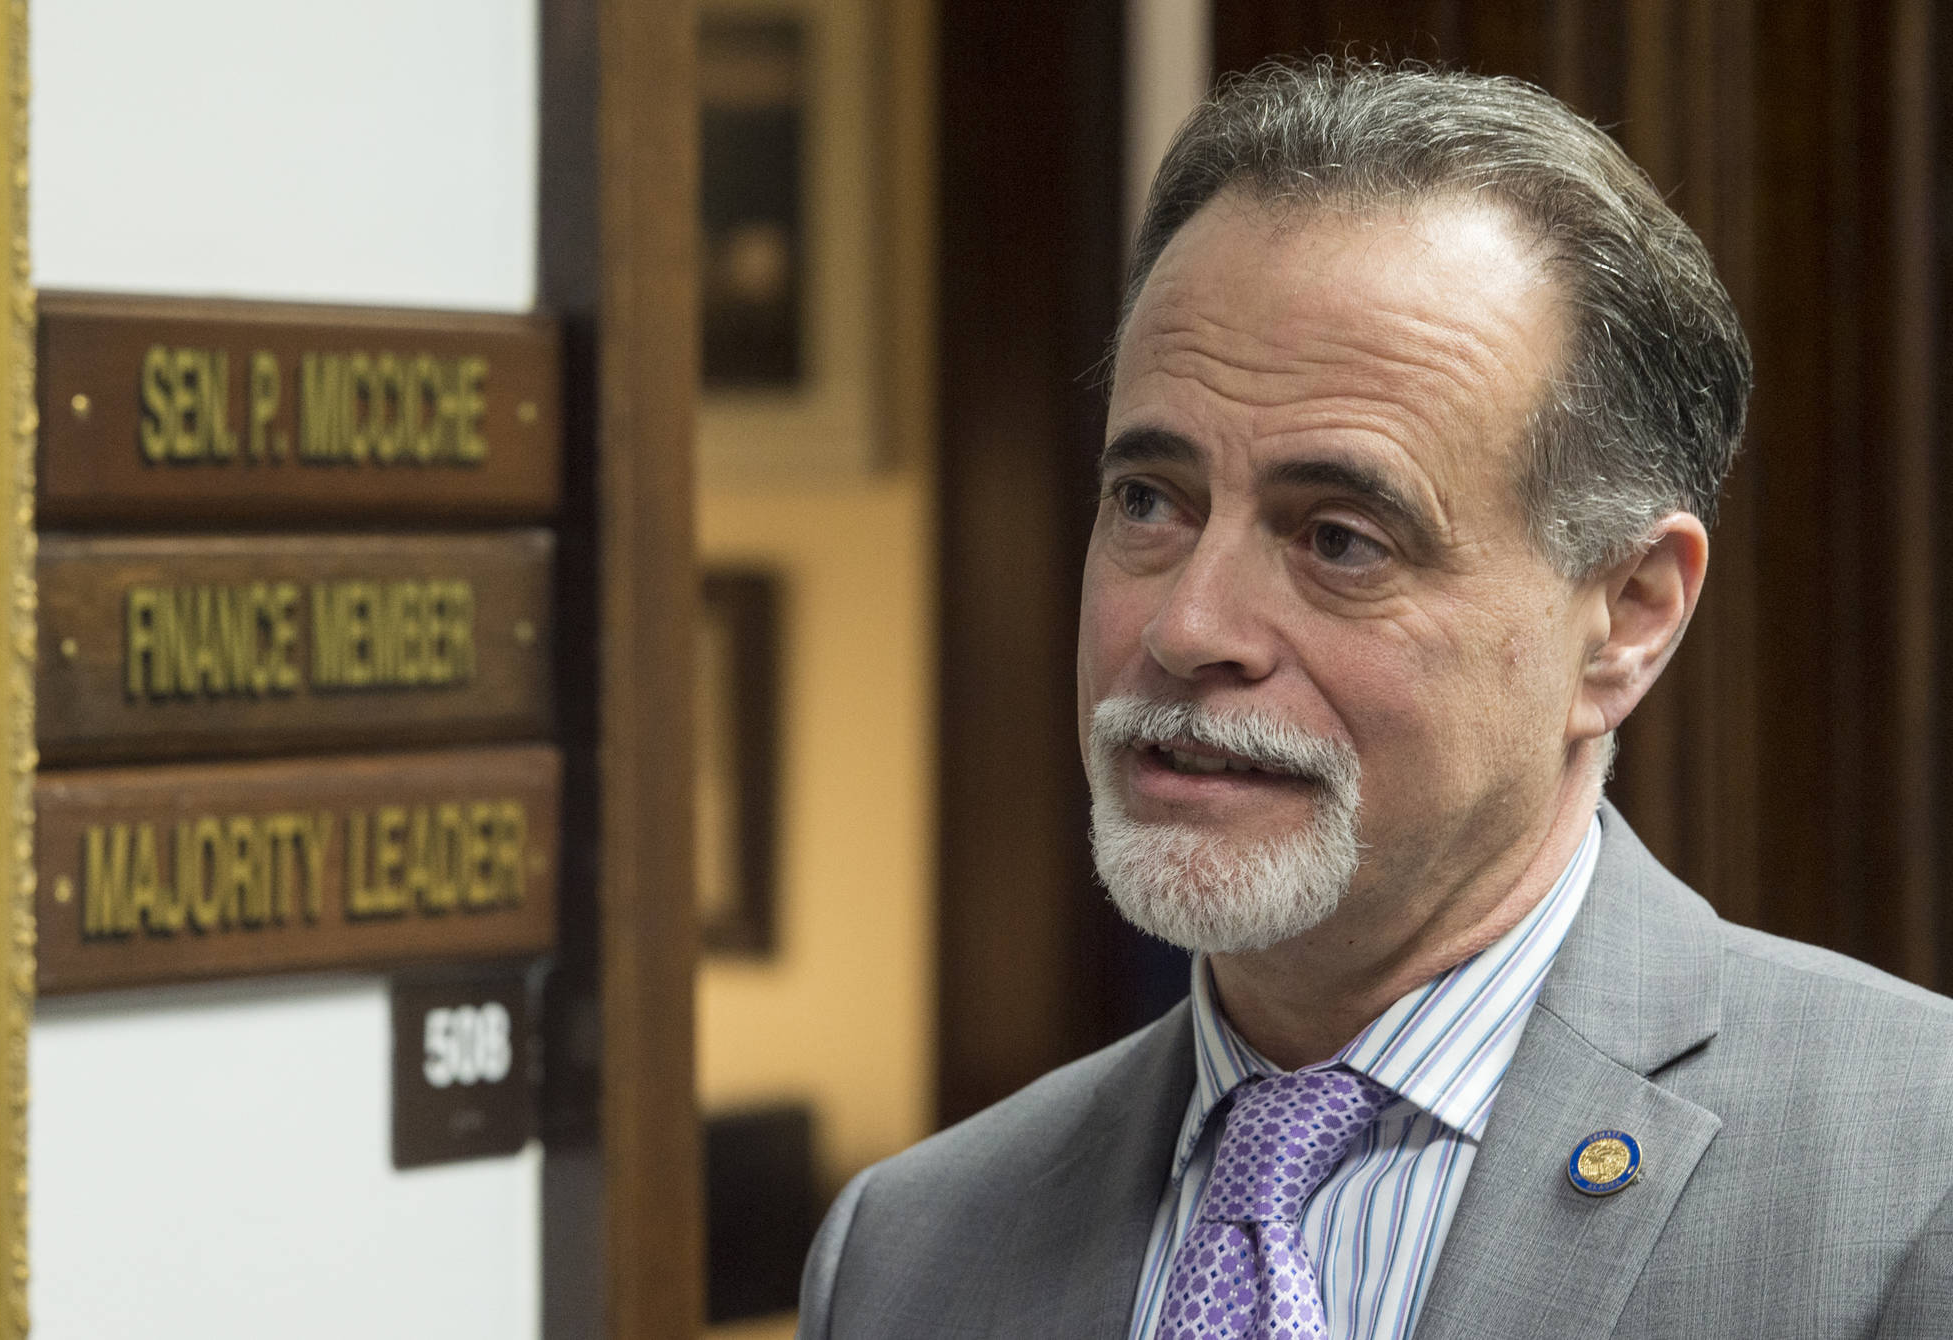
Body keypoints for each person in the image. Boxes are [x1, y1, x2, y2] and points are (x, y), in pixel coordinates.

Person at [798, 60, 1953, 1339]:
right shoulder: (910, 1251)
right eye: (1147, 502)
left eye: (1339, 538)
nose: (1187, 627)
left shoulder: (1911, 1181)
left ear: (1624, 619)